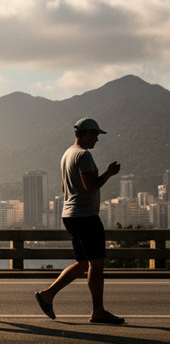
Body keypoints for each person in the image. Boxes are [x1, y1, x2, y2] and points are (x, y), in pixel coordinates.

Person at [34, 118, 124, 324]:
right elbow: (90, 186)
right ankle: (98, 311)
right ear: (85, 133)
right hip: (85, 216)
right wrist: (109, 174)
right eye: (95, 134)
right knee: (96, 264)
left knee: (83, 263)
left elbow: (65, 188)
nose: (97, 139)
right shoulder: (83, 155)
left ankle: (47, 294)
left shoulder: (67, 154)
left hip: (69, 215)